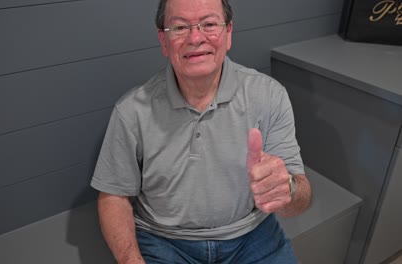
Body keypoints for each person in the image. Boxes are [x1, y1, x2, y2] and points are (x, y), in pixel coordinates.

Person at [90, 0, 312, 263]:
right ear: (163, 40)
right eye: (180, 27)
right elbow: (113, 197)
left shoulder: (269, 95)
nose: (195, 38)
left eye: (209, 24)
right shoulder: (131, 111)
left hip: (253, 236)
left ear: (228, 32)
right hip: (165, 242)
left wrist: (285, 189)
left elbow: (301, 196)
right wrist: (131, 261)